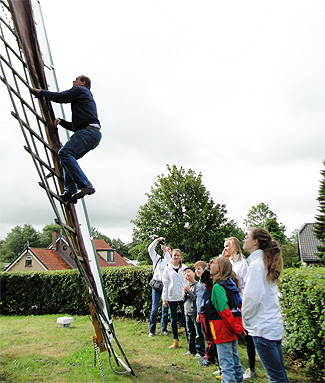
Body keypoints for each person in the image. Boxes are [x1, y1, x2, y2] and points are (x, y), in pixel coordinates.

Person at [33, 75, 101, 204]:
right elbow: (77, 126)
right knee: (68, 158)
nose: (73, 81)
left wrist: (42, 92)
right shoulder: (85, 97)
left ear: (83, 83)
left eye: (76, 79)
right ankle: (70, 191)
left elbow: (61, 97)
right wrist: (62, 122)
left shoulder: (81, 90)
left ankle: (85, 185)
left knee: (64, 153)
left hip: (88, 132)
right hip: (92, 134)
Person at [242, 227, 289, 383]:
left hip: (262, 329)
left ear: (255, 242)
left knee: (276, 378)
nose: (244, 239)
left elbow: (251, 298)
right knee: (279, 375)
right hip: (272, 326)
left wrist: (245, 319)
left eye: (247, 237)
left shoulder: (256, 264)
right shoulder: (264, 261)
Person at [222, 237, 256, 380]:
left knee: (247, 335)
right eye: (224, 246)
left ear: (235, 246)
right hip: (229, 302)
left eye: (228, 246)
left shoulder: (243, 264)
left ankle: (251, 367)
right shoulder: (227, 262)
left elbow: (247, 285)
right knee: (229, 334)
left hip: (240, 302)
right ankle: (229, 365)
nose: (225, 249)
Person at [209, 256, 246, 383]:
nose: (211, 264)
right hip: (233, 330)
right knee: (236, 364)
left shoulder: (218, 287)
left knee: (226, 367)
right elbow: (238, 307)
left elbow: (224, 312)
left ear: (221, 268)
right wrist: (239, 328)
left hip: (223, 330)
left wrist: (235, 328)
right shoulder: (232, 284)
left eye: (214, 263)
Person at [162, 249, 187, 349]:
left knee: (186, 318)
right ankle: (175, 341)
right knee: (173, 319)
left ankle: (190, 339)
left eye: (178, 255)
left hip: (183, 297)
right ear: (171, 256)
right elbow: (165, 285)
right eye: (174, 255)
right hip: (172, 297)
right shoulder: (167, 269)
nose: (176, 257)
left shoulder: (185, 268)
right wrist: (165, 298)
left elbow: (187, 282)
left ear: (180, 256)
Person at [194, 261, 218, 368]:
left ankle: (210, 358)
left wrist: (208, 267)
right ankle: (209, 355)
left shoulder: (207, 282)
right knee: (206, 335)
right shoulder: (198, 283)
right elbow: (199, 300)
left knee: (210, 336)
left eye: (199, 269)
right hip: (202, 312)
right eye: (196, 269)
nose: (197, 271)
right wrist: (199, 313)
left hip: (208, 311)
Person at [148, 237, 172, 337]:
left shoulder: (170, 261)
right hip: (157, 284)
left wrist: (166, 251)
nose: (167, 250)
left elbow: (170, 262)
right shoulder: (157, 258)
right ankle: (151, 330)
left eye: (169, 250)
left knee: (165, 308)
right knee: (154, 308)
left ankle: (164, 329)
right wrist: (157, 241)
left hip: (166, 285)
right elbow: (150, 249)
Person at [183, 267, 205, 358]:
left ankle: (200, 351)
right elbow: (183, 299)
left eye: (188, 272)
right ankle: (191, 349)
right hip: (187, 312)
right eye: (185, 273)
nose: (187, 274)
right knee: (190, 332)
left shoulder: (198, 286)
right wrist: (185, 293)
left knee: (198, 332)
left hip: (194, 312)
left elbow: (196, 298)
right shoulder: (186, 285)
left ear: (194, 274)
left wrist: (189, 293)